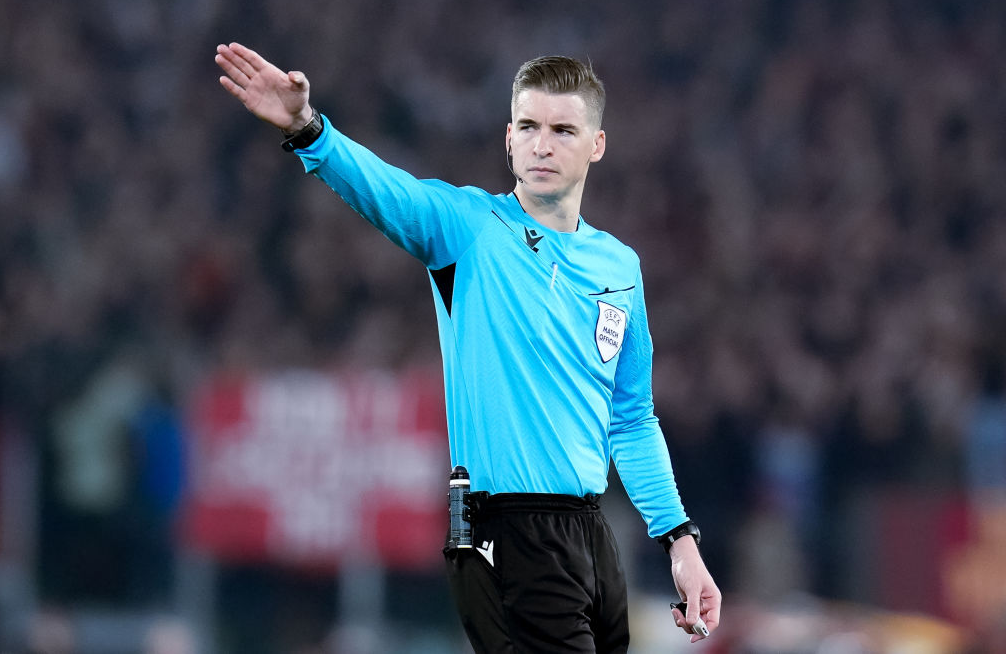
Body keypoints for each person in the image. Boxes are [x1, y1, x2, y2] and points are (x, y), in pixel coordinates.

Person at [214, 41, 720, 652]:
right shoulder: (470, 228)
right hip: (503, 529)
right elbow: (388, 191)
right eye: (528, 127)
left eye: (563, 129)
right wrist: (309, 130)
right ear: (508, 138)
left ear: (597, 145)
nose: (542, 144)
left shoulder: (620, 266)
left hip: (591, 532)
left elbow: (632, 419)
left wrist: (680, 543)